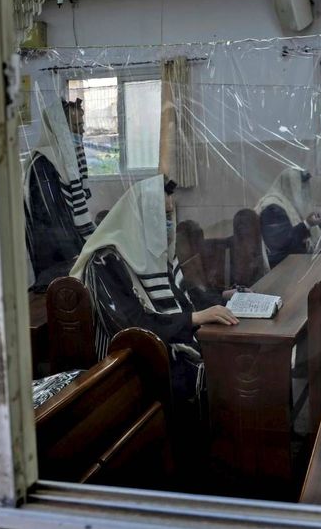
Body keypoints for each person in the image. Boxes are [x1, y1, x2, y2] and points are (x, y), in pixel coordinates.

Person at [70, 175, 238, 405]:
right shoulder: (104, 262)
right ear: (141, 217)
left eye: (170, 215)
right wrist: (195, 318)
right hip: (128, 369)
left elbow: (183, 295)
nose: (169, 223)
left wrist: (223, 299)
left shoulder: (153, 251)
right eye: (162, 215)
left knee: (237, 361)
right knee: (231, 374)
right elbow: (132, 329)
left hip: (163, 352)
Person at [24, 98, 95, 291]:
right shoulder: (43, 165)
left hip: (67, 254)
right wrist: (78, 254)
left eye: (82, 125)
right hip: (53, 263)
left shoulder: (64, 163)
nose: (82, 132)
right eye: (75, 126)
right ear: (58, 129)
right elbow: (52, 221)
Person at [255, 168, 321, 268]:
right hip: (281, 269)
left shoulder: (289, 204)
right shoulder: (272, 208)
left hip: (295, 263)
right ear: (290, 186)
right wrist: (307, 224)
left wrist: (317, 222)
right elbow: (282, 245)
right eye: (301, 188)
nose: (304, 193)